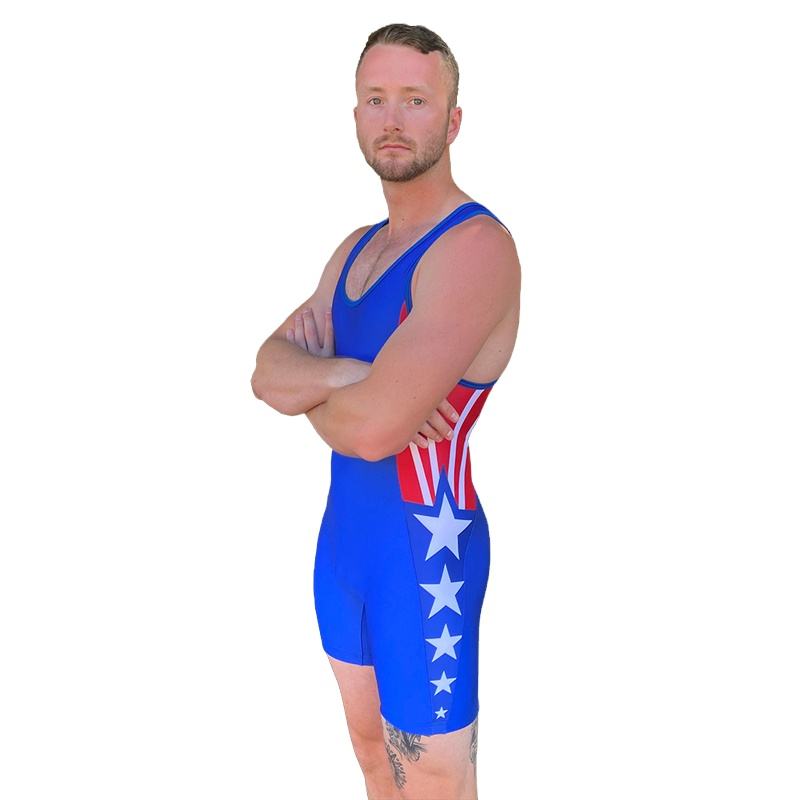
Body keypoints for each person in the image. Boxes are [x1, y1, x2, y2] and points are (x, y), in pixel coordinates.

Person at [251, 23, 520, 800]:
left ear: (453, 120)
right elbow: (266, 372)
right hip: (344, 551)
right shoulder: (355, 250)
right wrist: (351, 374)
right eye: (376, 99)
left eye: (415, 100)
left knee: (433, 780)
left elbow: (372, 433)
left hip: (424, 559)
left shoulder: (474, 249)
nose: (393, 118)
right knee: (374, 759)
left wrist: (321, 390)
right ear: (356, 115)